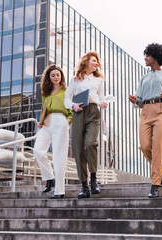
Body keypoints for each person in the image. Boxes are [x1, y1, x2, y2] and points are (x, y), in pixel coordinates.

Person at [129, 43, 162, 198]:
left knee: (159, 146)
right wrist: (135, 100)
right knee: (145, 145)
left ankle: (155, 184)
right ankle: (160, 174)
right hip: (146, 111)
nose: (145, 58)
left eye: (148, 55)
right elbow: (139, 99)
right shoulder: (144, 78)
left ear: (156, 57)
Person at [64, 51, 108, 199]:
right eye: (94, 61)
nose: (96, 64)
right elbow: (66, 99)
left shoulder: (99, 80)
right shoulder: (75, 80)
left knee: (90, 144)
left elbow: (101, 99)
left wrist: (103, 103)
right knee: (78, 149)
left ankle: (94, 179)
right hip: (78, 113)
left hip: (93, 113)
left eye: (97, 62)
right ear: (86, 62)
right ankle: (84, 185)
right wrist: (73, 106)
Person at [33, 64, 73, 199]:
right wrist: (41, 121)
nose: (56, 77)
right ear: (48, 78)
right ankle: (49, 177)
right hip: (46, 123)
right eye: (53, 75)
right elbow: (44, 109)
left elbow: (71, 111)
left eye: (58, 75)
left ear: (61, 76)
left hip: (60, 121)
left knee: (59, 156)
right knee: (38, 150)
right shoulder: (46, 93)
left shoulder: (67, 92)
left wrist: (66, 123)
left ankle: (59, 191)